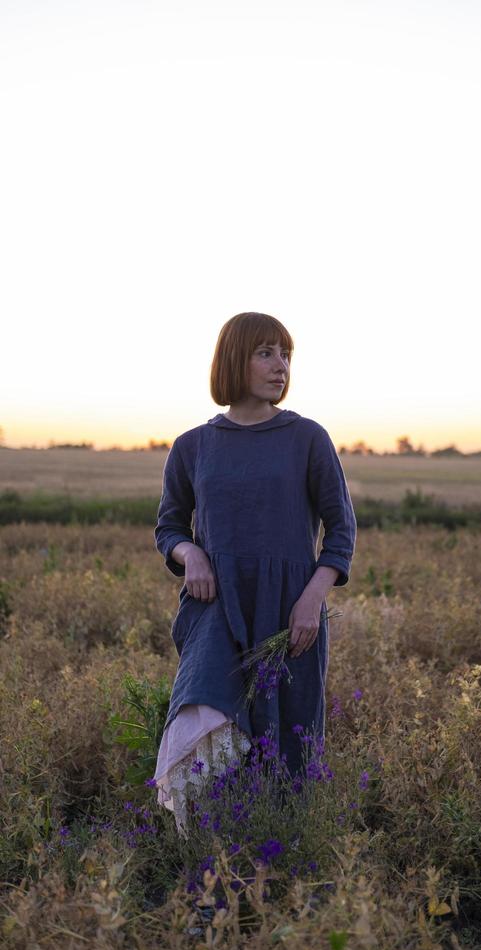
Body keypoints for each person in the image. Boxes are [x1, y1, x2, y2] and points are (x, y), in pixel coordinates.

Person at [151, 312, 357, 832]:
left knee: (289, 735)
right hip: (216, 610)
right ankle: (210, 852)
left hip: (291, 610)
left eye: (286, 354)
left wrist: (312, 598)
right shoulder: (193, 446)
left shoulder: (307, 438)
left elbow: (341, 530)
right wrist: (191, 555)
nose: (280, 366)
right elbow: (169, 528)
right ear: (233, 360)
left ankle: (283, 857)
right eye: (266, 353)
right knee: (209, 722)